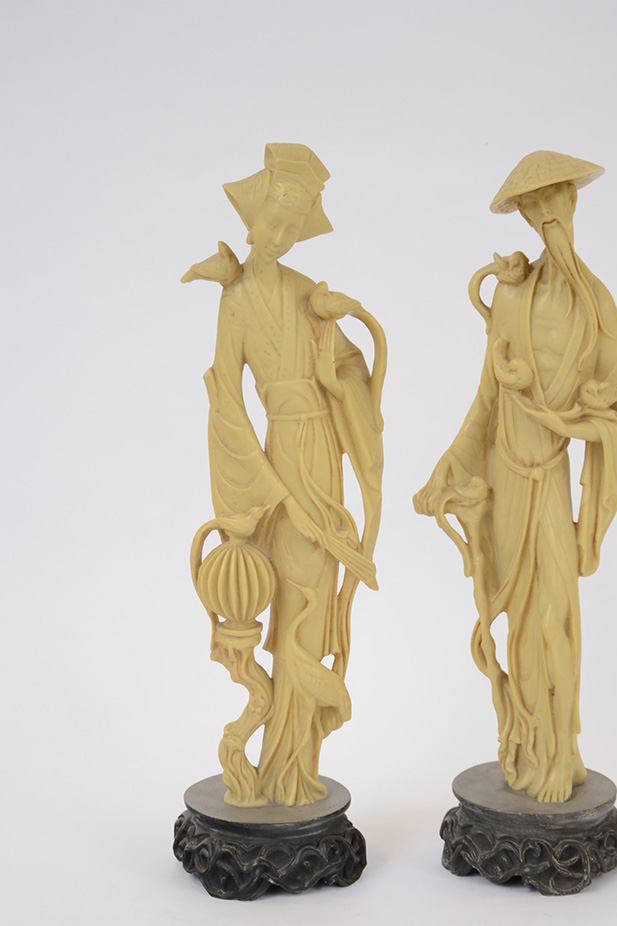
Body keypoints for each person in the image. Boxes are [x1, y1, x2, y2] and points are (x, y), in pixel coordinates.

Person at [415, 151, 617, 802]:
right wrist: (450, 464)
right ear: (521, 214)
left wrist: (577, 422)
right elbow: (486, 400)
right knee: (517, 621)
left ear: (575, 202)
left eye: (556, 201)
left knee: (554, 618)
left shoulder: (595, 306)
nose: (547, 216)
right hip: (504, 477)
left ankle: (561, 752)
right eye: (533, 206)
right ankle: (523, 746)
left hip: (550, 476)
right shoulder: (511, 294)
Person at [186, 144, 384, 806]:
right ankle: (277, 767)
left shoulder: (307, 294)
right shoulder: (236, 302)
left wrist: (336, 374)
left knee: (316, 600)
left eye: (292, 226)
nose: (279, 235)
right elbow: (226, 398)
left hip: (322, 450)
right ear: (253, 217)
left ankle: (296, 769)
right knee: (291, 600)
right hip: (277, 463)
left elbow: (354, 369)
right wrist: (271, 495)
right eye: (273, 220)